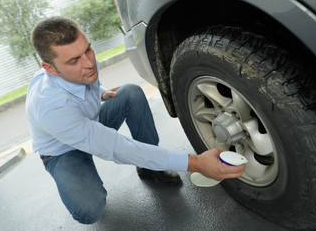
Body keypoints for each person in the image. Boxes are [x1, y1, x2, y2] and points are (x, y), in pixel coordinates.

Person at [26, 16, 245, 224]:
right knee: (89, 210)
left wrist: (101, 92)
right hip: (62, 151)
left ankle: (149, 168)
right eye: (74, 60)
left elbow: (86, 83)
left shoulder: (80, 63)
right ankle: (82, 183)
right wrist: (195, 163)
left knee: (130, 92)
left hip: (87, 123)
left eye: (88, 50)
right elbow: (116, 146)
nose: (89, 63)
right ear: (49, 69)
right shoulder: (51, 107)